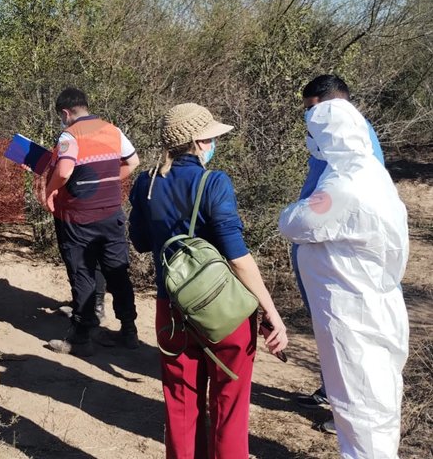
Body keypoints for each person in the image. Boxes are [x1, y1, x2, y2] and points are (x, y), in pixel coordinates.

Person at [128, 103, 287, 459]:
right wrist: (270, 311)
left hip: (171, 310)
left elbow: (140, 242)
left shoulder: (145, 185)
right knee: (229, 408)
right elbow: (238, 258)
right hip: (226, 313)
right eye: (213, 137)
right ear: (199, 142)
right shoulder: (213, 182)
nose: (215, 142)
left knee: (181, 407)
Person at [279, 99, 409, 459]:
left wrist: (292, 210)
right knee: (376, 399)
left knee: (359, 404)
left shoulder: (343, 185)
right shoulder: (371, 173)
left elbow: (295, 222)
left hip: (352, 312)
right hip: (373, 302)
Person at [294, 75, 385, 423]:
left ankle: (349, 412)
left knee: (346, 328)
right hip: (316, 244)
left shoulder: (354, 142)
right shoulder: (327, 139)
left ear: (333, 103)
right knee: (328, 325)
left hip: (335, 251)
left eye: (312, 109)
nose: (308, 118)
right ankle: (331, 390)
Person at [43, 87, 140, 356]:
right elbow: (133, 161)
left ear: (65, 112)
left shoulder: (69, 134)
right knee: (117, 271)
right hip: (112, 213)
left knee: (82, 272)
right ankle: (129, 331)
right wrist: (106, 183)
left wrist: (50, 190)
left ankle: (81, 337)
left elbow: (63, 172)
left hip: (79, 216)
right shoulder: (112, 130)